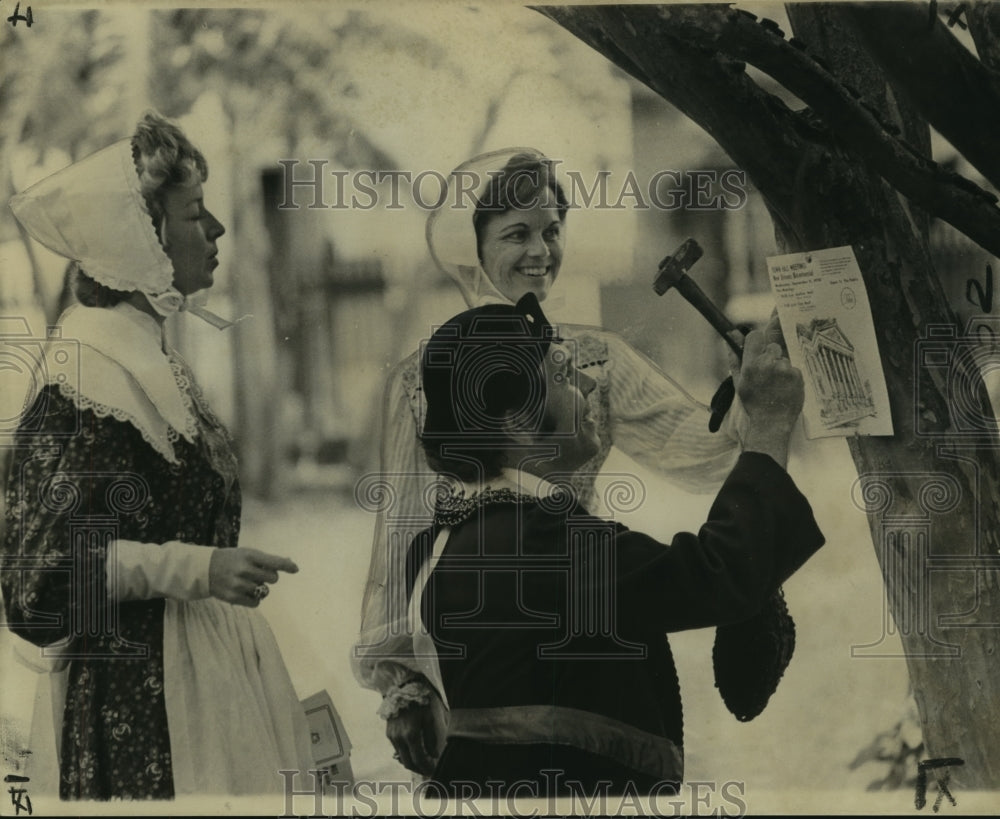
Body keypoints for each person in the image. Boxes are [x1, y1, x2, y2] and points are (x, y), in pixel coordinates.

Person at [353, 148, 796, 775]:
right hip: (495, 611)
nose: (541, 250)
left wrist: (756, 401)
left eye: (553, 230)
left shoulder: (597, 357)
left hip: (578, 605)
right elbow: (397, 530)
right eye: (517, 233)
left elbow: (708, 452)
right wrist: (403, 682)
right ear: (473, 247)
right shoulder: (422, 375)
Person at [1, 112, 313, 799]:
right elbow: (37, 583)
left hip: (209, 681)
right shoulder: (85, 372)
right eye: (196, 214)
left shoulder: (149, 356)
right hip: (142, 704)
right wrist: (197, 567)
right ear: (140, 238)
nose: (218, 231)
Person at [402, 292, 824, 796]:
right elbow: (720, 573)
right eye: (562, 373)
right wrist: (772, 424)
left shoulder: (441, 541)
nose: (587, 383)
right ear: (515, 420)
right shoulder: (542, 541)